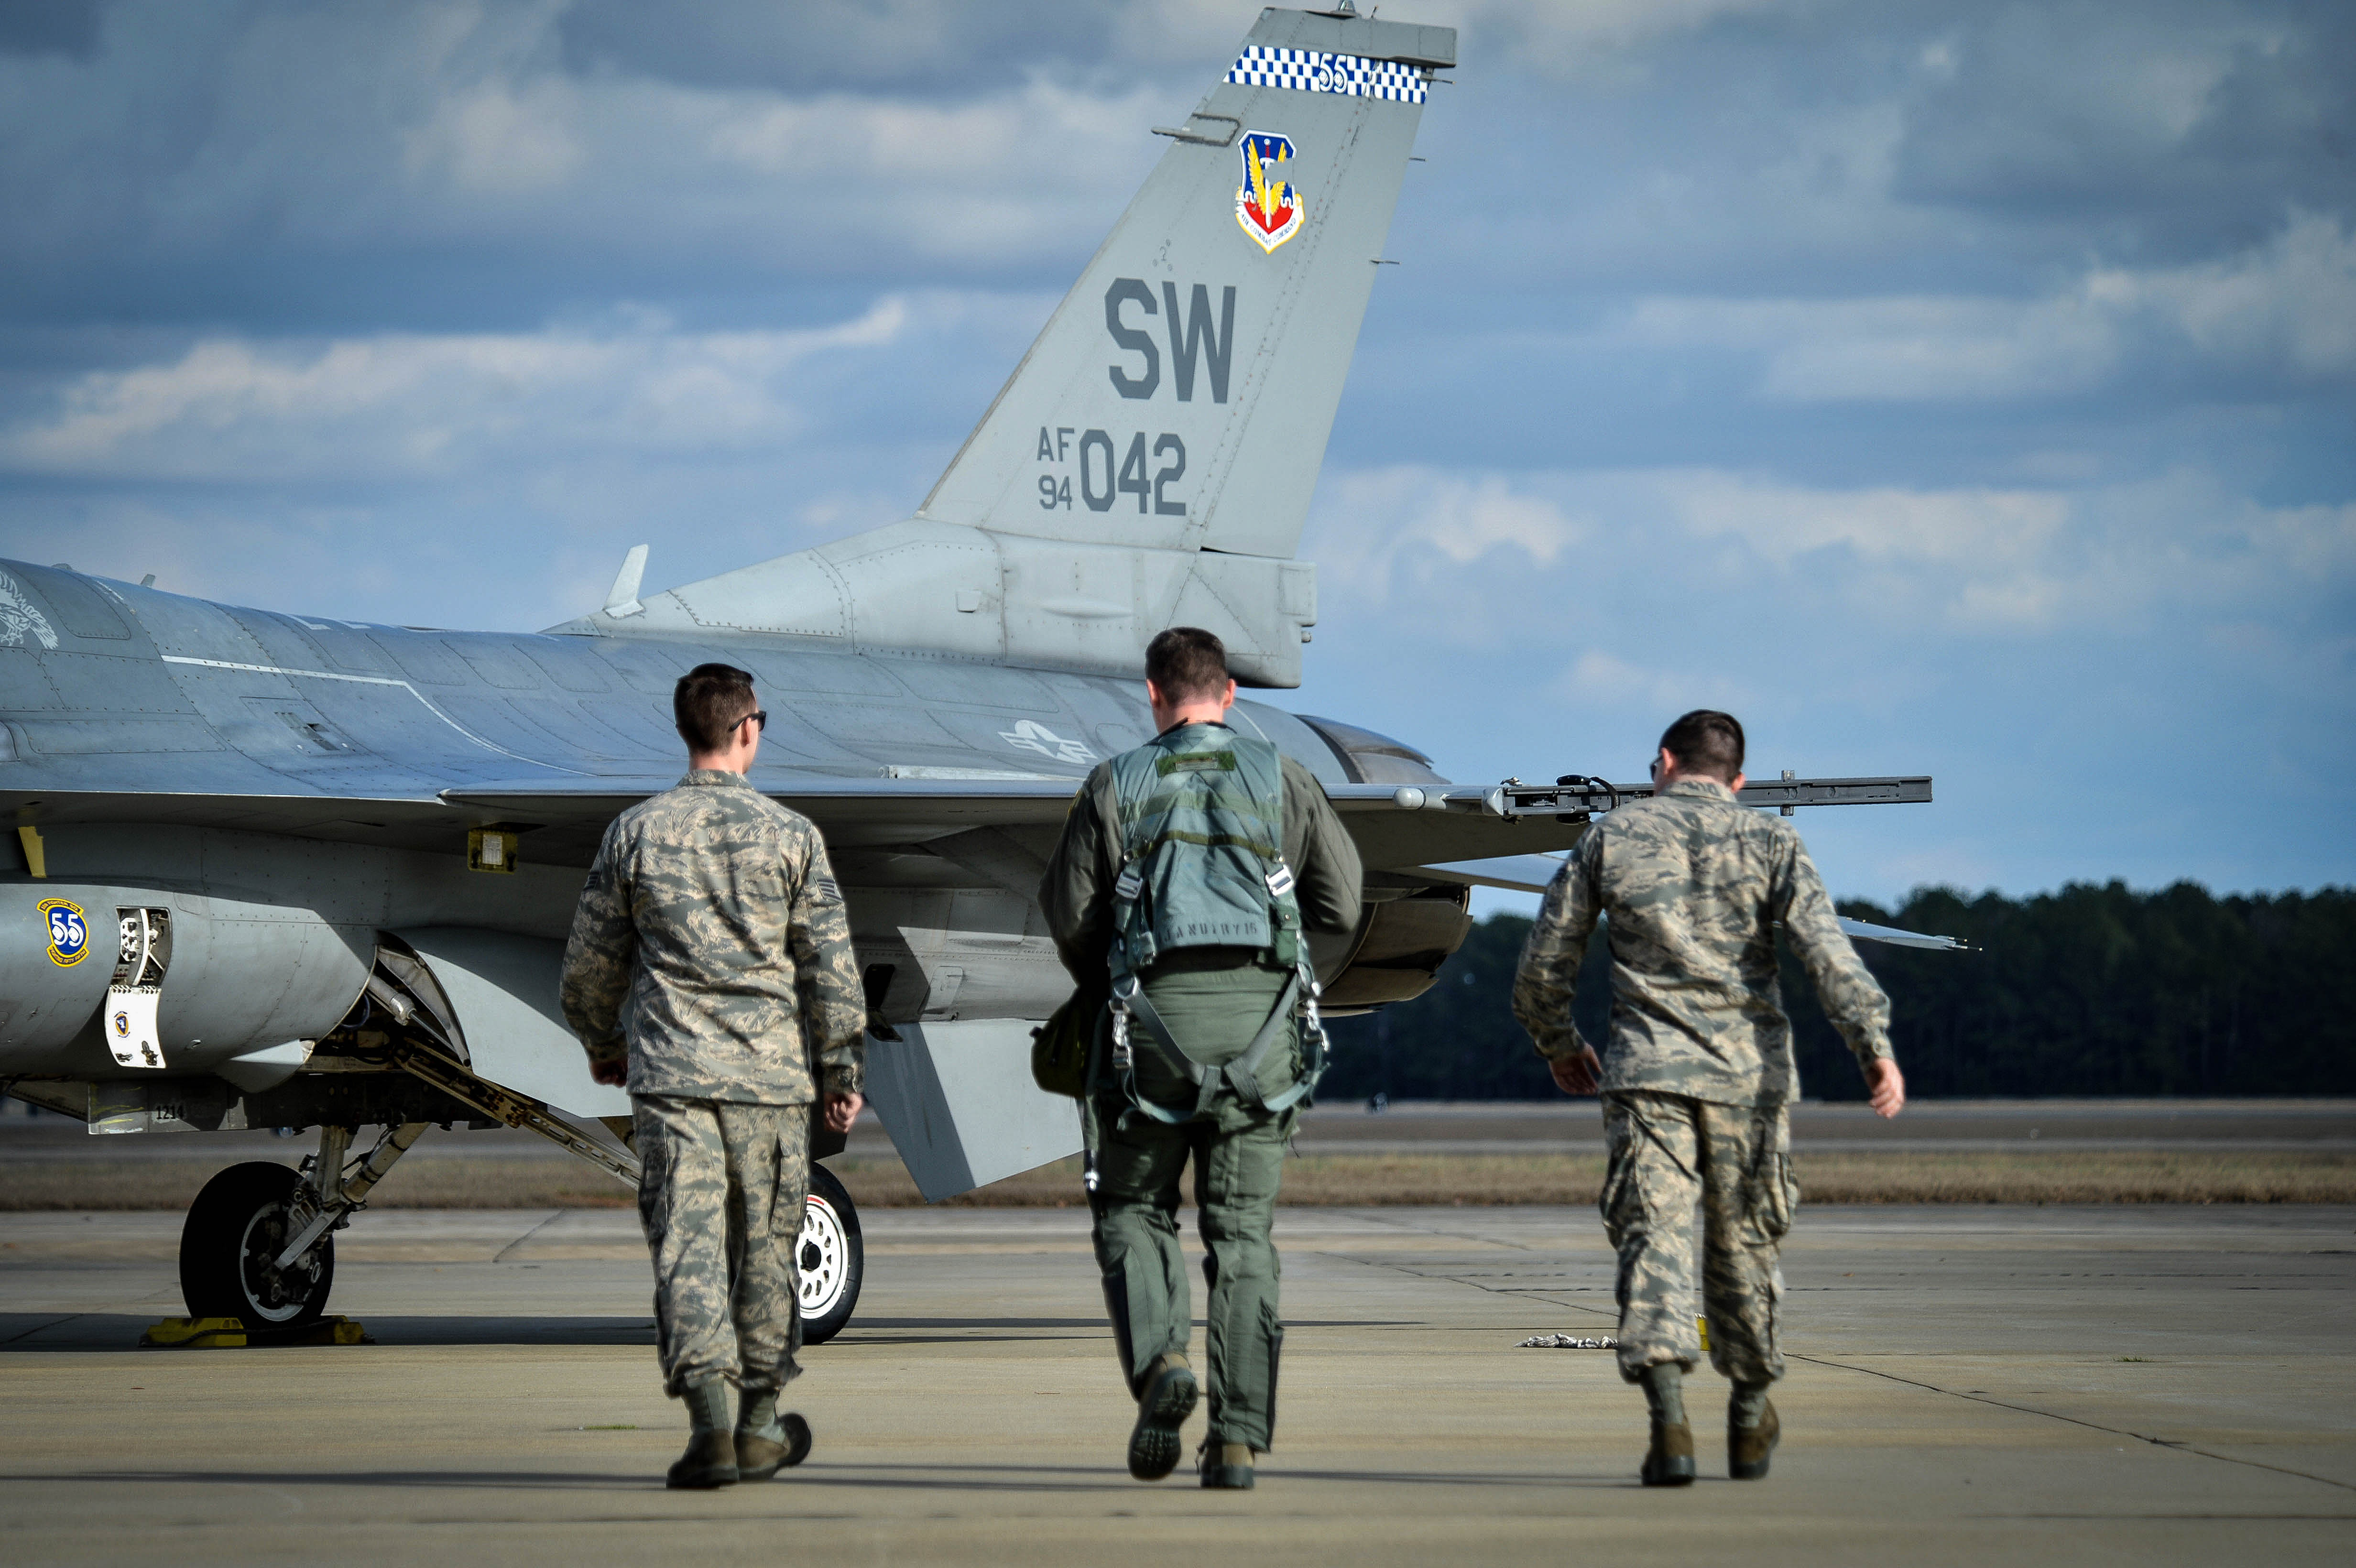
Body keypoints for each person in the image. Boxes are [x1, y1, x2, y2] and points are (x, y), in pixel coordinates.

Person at [1509, 709, 1905, 1487]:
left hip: (1648, 1077)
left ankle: (1668, 1421)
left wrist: (1560, 1044)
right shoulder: (1772, 841)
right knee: (1745, 1244)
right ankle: (1752, 1411)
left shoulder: (1611, 838)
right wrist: (1873, 1047)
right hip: (1746, 1080)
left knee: (1654, 1237)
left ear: (1664, 762)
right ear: (1740, 779)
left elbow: (1543, 964)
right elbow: (1828, 952)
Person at [1039, 627, 1363, 1491]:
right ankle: (1238, 1445)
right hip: (1264, 1037)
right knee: (1242, 1236)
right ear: (1228, 697)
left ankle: (1160, 1368)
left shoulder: (1114, 784)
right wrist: (1291, 985)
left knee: (1133, 1207)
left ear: (1153, 695)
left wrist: (1119, 988)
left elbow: (1071, 916)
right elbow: (1342, 899)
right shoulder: (1286, 777)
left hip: (1150, 1031)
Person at [560, 662, 866, 1491]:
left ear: (687, 730)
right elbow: (831, 967)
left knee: (686, 1251)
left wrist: (600, 1040)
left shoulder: (636, 833)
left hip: (672, 1080)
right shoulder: (792, 835)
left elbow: (589, 965)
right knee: (765, 1252)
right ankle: (762, 1423)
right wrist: (841, 1067)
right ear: (747, 729)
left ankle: (709, 1430)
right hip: (769, 1084)